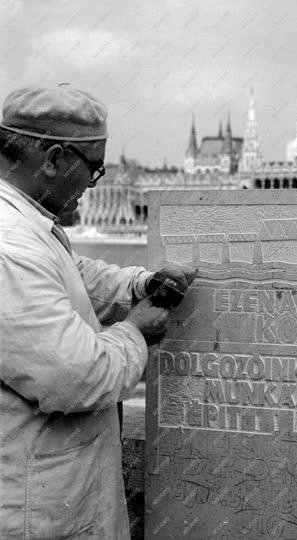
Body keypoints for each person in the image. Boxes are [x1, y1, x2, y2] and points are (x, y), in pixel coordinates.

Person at [0, 85, 196, 539]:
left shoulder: (23, 221)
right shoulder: (9, 246)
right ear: (52, 159)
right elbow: (75, 377)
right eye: (93, 170)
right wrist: (135, 332)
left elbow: (68, 273)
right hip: (35, 508)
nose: (94, 185)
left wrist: (138, 285)